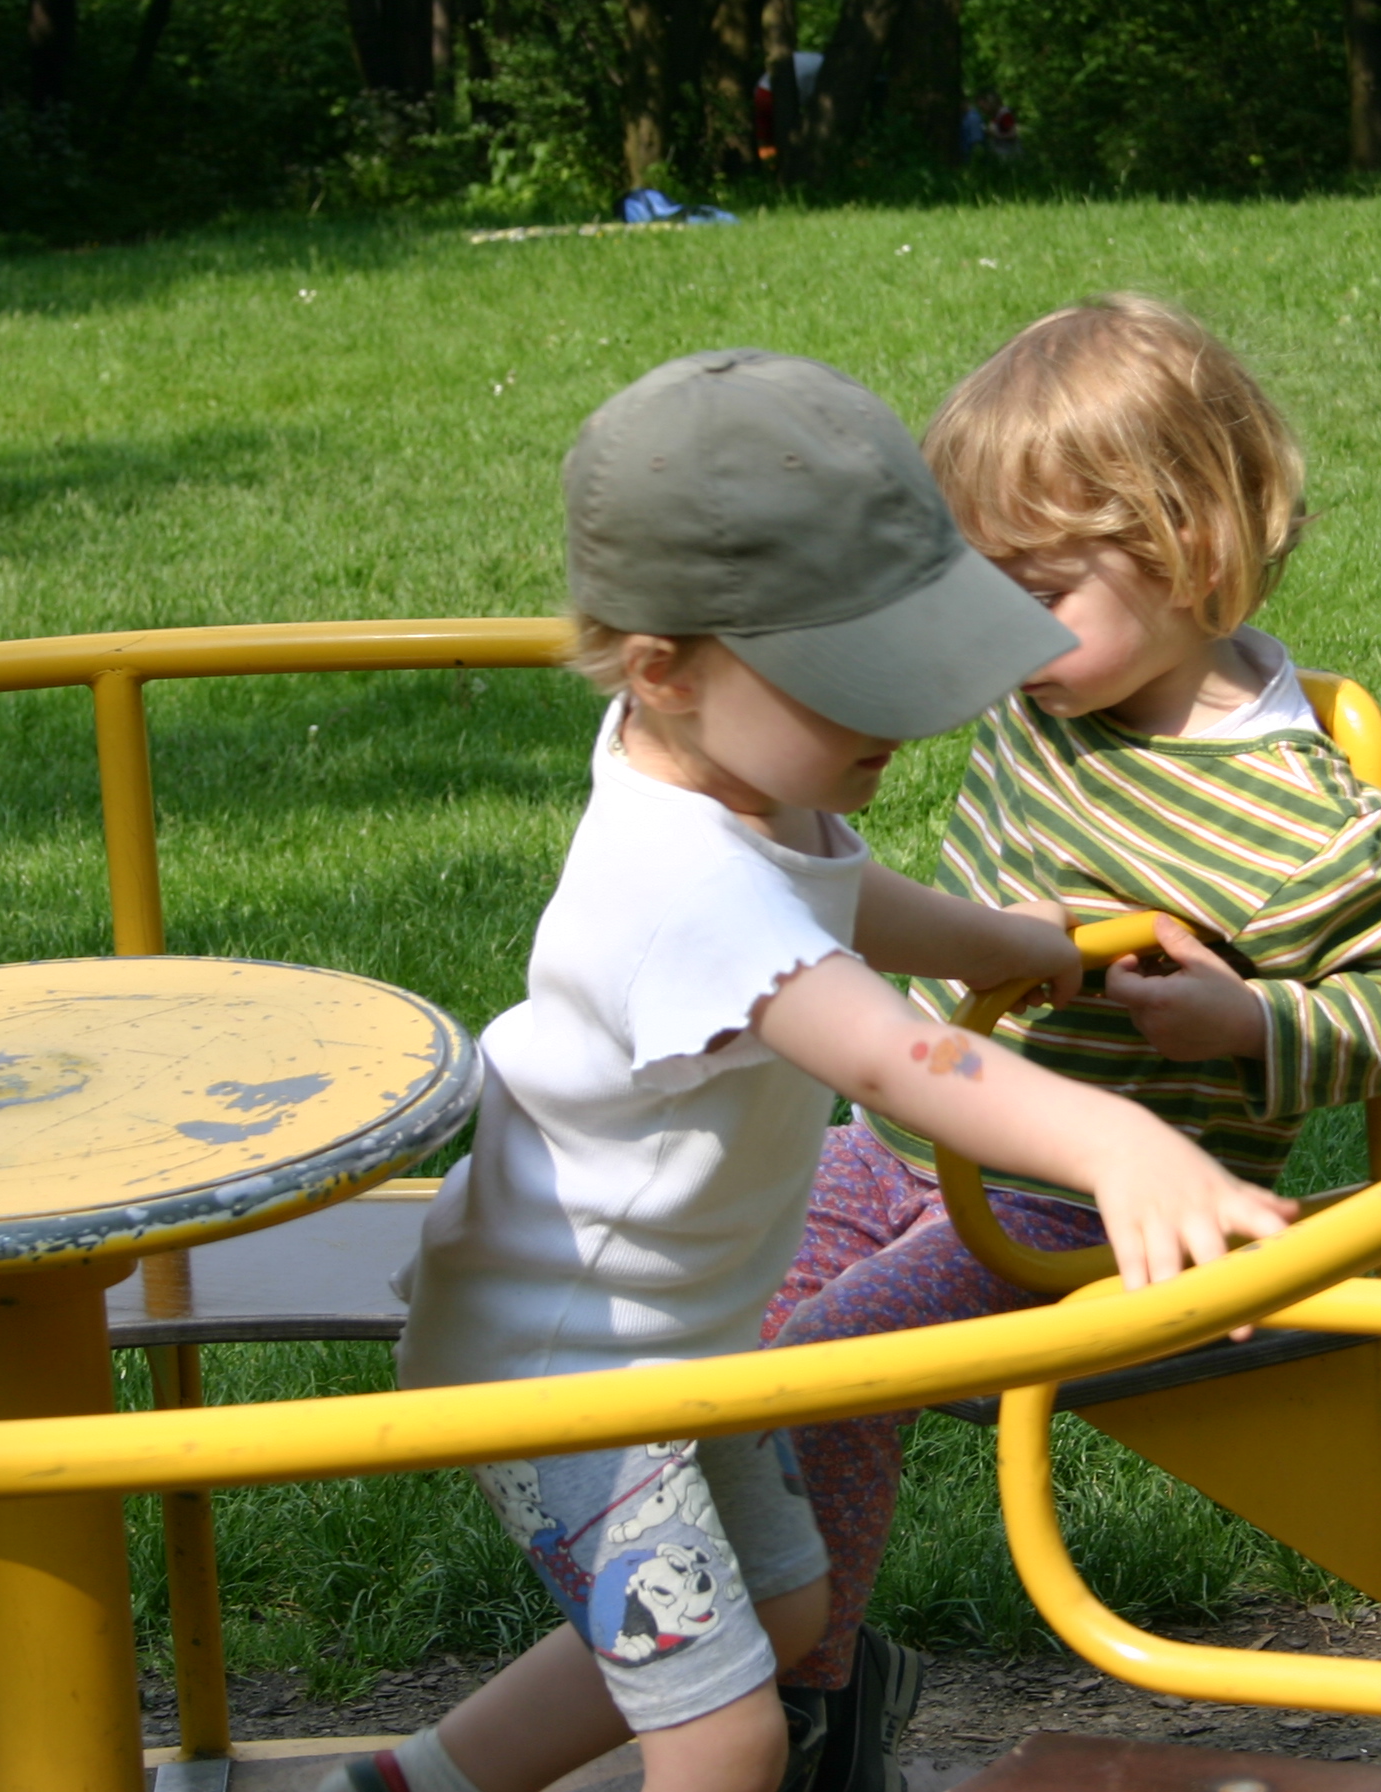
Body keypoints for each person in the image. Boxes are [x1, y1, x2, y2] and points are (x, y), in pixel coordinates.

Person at [326, 350, 1298, 1792]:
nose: (899, 718)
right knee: (726, 1735)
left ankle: (412, 1785)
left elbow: (839, 900)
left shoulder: (720, 767)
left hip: (676, 1337)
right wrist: (1118, 1143)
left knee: (787, 1613)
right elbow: (899, 1058)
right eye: (851, 682)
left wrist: (1014, 941)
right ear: (663, 666)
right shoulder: (687, 891)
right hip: (567, 1363)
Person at [758, 295, 1381, 1792]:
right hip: (898, 1146)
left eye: (1034, 590)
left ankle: (800, 1714)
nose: (996, 633)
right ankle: (777, 1668)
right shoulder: (1041, 703)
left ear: (1192, 549)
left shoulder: (1301, 816)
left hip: (1081, 1215)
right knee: (722, 1340)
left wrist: (1250, 1019)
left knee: (821, 1374)